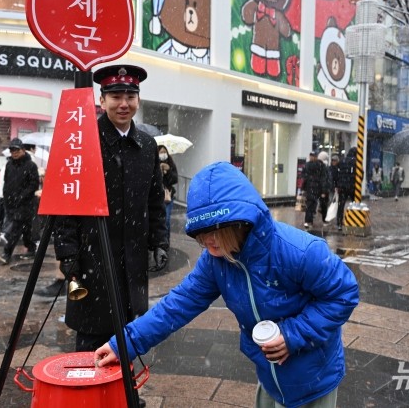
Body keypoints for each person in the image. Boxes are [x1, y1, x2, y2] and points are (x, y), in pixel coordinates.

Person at [94, 161, 359, 408]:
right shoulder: (215, 260)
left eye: (215, 230)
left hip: (314, 378)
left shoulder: (299, 250)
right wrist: (123, 344)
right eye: (200, 233)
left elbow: (344, 294)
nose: (207, 241)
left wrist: (292, 335)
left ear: (239, 222)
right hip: (269, 377)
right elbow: (177, 305)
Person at [50, 64, 169, 355]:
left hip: (133, 262)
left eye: (130, 95)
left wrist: (159, 243)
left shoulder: (147, 145)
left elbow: (155, 202)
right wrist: (68, 256)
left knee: (129, 336)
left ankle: (127, 397)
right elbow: (66, 207)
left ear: (138, 100)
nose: (124, 103)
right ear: (102, 100)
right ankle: (92, 400)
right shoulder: (83, 140)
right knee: (92, 340)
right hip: (92, 261)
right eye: (116, 96)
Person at [0, 138, 40, 264]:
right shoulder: (9, 165)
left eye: (16, 150)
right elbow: (6, 183)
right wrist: (6, 198)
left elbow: (34, 184)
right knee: (26, 229)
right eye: (12, 150)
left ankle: (6, 254)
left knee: (15, 229)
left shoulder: (31, 165)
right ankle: (31, 248)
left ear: (23, 150)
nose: (14, 152)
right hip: (11, 203)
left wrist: (21, 197)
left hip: (25, 204)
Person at [301, 151, 330, 229]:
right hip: (311, 188)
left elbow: (323, 178)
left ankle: (321, 219)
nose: (311, 157)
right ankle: (308, 221)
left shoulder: (319, 166)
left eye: (313, 156)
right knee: (310, 205)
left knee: (321, 205)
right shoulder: (310, 165)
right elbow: (304, 177)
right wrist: (303, 188)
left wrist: (323, 190)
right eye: (310, 156)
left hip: (317, 188)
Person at [158, 144, 178, 254]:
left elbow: (174, 179)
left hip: (168, 196)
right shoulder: (155, 164)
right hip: (158, 197)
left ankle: (166, 242)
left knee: (167, 221)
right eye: (160, 152)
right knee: (159, 221)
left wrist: (168, 170)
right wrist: (160, 171)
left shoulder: (171, 164)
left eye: (164, 152)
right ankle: (160, 242)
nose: (163, 154)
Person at [335, 148, 357, 231]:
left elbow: (337, 174)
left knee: (341, 205)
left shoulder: (342, 161)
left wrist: (337, 185)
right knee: (355, 205)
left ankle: (339, 223)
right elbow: (360, 174)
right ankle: (354, 221)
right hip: (352, 187)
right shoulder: (356, 161)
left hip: (342, 187)